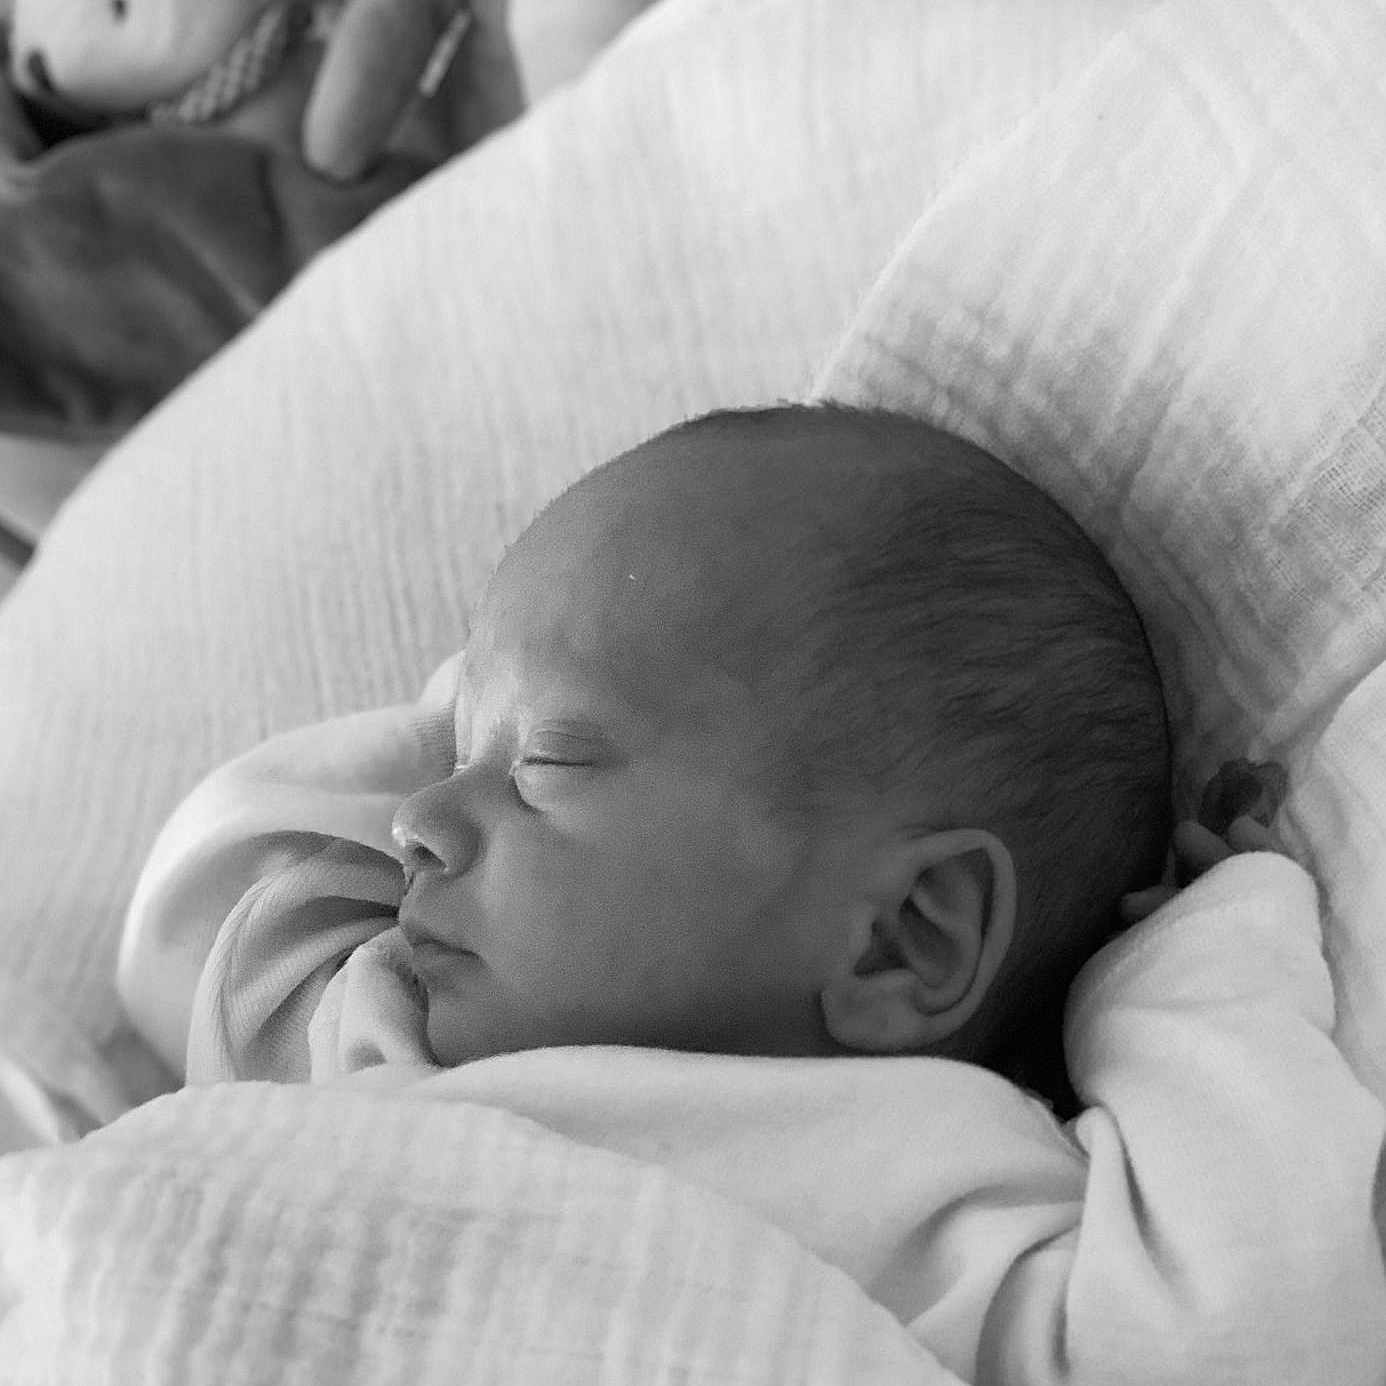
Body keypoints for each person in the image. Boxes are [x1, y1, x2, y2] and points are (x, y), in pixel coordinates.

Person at [118, 402, 1385, 1381]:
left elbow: (1253, 1327)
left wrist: (1195, 968)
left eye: (548, 761)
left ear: (902, 939)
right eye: (453, 752)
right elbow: (204, 916)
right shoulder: (376, 1018)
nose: (418, 822)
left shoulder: (928, 1198)